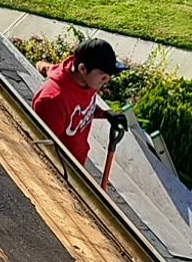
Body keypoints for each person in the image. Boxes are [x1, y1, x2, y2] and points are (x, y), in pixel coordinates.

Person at [31, 38, 127, 167]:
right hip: (63, 169)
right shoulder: (52, 101)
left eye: (110, 75)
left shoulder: (87, 82)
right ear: (82, 69)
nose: (107, 79)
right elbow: (44, 151)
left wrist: (106, 114)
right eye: (103, 74)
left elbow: (82, 108)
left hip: (78, 162)